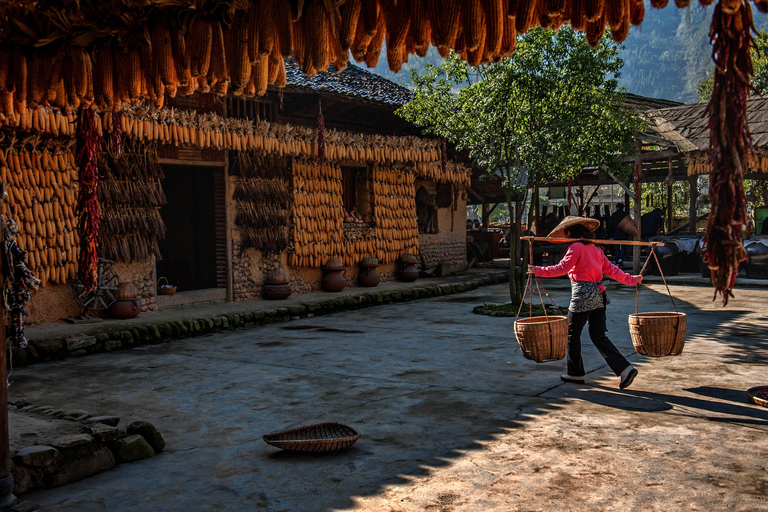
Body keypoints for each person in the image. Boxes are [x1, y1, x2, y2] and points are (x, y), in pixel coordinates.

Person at [527, 216, 642, 390]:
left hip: (583, 295)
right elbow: (612, 270)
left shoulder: (576, 247)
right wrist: (632, 279)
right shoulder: (596, 248)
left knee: (572, 333)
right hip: (599, 295)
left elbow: (561, 268)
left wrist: (537, 270)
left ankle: (575, 373)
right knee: (598, 336)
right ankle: (625, 369)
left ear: (568, 233)